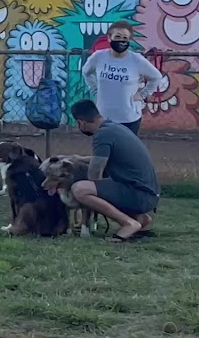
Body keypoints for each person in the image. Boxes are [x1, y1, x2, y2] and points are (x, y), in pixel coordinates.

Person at [68, 98, 161, 241]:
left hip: (139, 194)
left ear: (81, 122)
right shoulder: (114, 128)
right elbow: (105, 158)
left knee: (80, 189)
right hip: (149, 194)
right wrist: (79, 158)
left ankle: (128, 223)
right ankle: (140, 218)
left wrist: (96, 197)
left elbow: (95, 171)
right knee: (102, 187)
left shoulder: (102, 135)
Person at [79, 22, 165, 135]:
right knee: (105, 150)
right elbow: (86, 72)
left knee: (127, 151)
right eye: (117, 37)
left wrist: (143, 94)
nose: (121, 41)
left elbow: (156, 77)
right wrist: (95, 89)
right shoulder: (99, 56)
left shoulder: (136, 59)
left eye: (125, 38)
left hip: (129, 118)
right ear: (109, 38)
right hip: (104, 117)